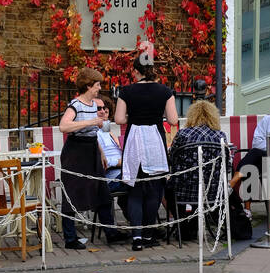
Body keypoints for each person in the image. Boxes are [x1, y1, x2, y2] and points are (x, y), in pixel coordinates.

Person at [114, 58, 179, 250]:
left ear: (136, 71)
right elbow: (173, 120)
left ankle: (137, 237)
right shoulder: (165, 91)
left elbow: (118, 119)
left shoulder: (126, 91)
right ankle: (149, 235)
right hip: (155, 142)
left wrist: (132, 115)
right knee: (154, 190)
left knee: (135, 190)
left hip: (134, 140)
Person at [58, 69, 122, 250]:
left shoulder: (95, 104)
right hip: (75, 152)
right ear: (88, 86)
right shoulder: (75, 105)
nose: (99, 88)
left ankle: (111, 232)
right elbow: (64, 126)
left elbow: (98, 129)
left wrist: (100, 125)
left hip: (92, 149)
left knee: (102, 191)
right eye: (97, 85)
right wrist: (91, 122)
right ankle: (70, 238)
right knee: (71, 193)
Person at [167, 100, 232, 241]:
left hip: (184, 189)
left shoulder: (182, 134)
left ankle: (183, 223)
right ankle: (193, 223)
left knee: (167, 188)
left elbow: (171, 160)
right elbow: (227, 166)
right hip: (212, 191)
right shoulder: (220, 136)